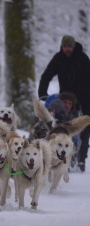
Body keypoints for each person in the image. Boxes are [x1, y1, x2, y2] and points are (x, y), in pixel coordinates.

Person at [38, 35, 90, 172]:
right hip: (66, 98)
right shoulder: (58, 58)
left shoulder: (83, 59)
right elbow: (47, 75)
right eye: (65, 46)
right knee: (62, 126)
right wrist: (42, 93)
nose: (67, 49)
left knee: (84, 126)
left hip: (84, 97)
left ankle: (81, 160)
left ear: (73, 46)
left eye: (69, 46)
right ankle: (60, 157)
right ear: (62, 46)